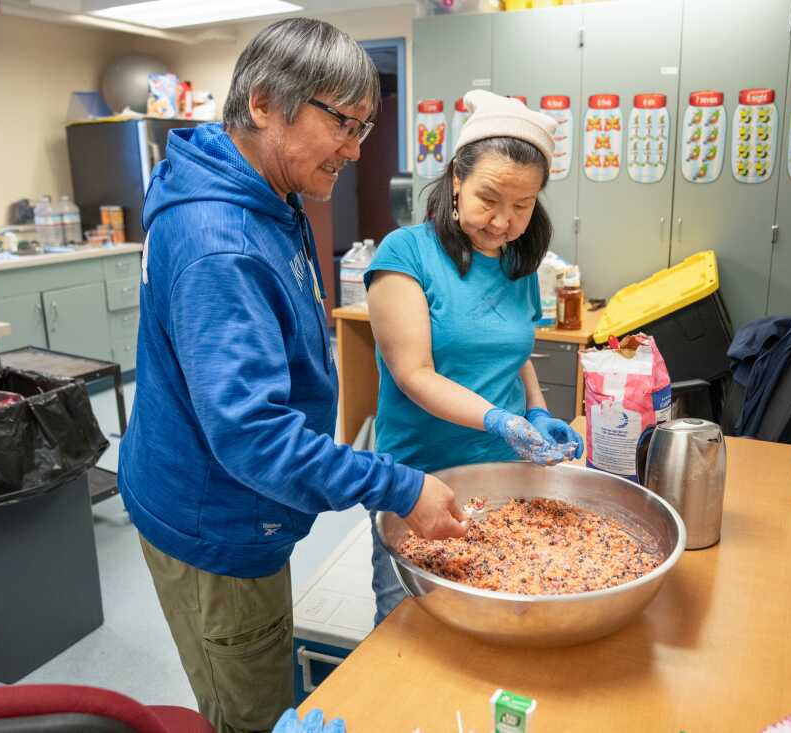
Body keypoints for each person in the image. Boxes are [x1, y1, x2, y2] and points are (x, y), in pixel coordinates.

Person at [117, 18, 466, 733]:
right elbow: (252, 435)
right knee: (253, 705)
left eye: (365, 126)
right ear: (266, 102)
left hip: (236, 497)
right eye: (343, 122)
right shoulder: (222, 245)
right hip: (212, 516)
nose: (356, 148)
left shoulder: (263, 189)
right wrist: (393, 483)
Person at [364, 90, 585, 624]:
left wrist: (535, 410)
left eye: (522, 205)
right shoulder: (405, 253)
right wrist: (497, 417)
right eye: (489, 198)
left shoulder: (518, 262)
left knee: (502, 619)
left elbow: (515, 349)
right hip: (421, 481)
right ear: (456, 180)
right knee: (414, 626)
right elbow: (414, 374)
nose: (503, 222)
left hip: (505, 479)